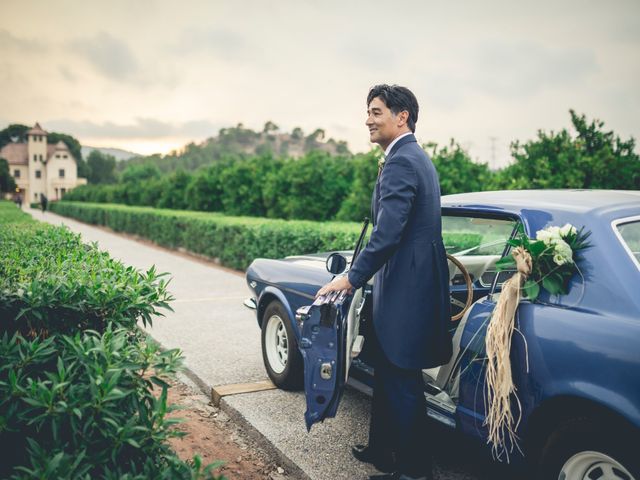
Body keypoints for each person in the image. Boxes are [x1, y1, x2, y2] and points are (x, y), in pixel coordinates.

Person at [316, 84, 452, 480]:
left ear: (401, 116)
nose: (368, 120)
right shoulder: (412, 156)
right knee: (387, 370)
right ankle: (382, 451)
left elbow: (389, 233)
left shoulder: (402, 162)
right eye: (368, 112)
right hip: (404, 284)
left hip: (407, 290)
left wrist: (351, 278)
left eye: (376, 112)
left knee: (402, 377)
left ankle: (413, 471)